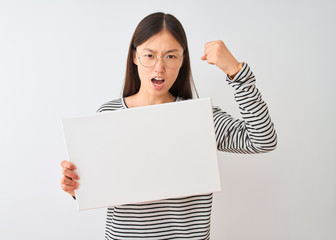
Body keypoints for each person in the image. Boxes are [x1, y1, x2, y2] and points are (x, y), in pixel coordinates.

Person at [60, 12, 277, 240]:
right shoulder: (108, 115)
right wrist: (78, 188)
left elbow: (263, 140)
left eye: (171, 56)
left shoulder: (200, 117)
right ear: (135, 57)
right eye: (149, 55)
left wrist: (235, 70)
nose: (159, 68)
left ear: (182, 60)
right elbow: (103, 186)